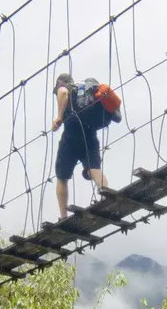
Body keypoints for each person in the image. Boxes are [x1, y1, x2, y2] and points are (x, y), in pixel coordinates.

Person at [51, 73, 119, 219]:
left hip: (71, 136)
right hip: (90, 134)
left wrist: (59, 116)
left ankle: (63, 216)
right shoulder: (87, 92)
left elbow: (62, 92)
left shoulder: (64, 87)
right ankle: (106, 195)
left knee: (62, 177)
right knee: (94, 169)